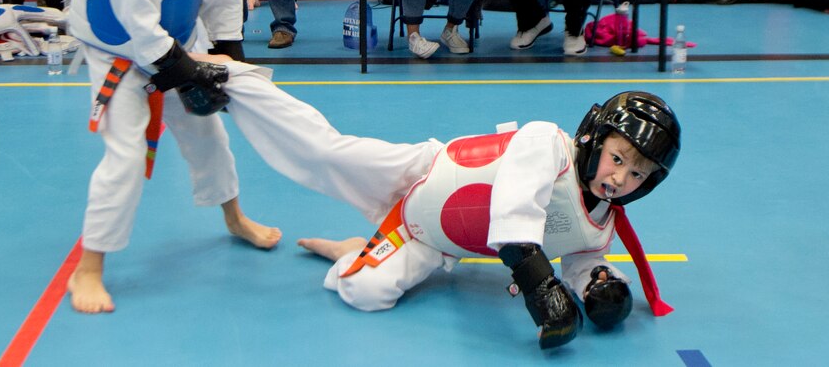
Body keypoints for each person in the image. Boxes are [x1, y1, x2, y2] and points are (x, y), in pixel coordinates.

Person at [189, 48, 681, 349]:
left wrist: (599, 283)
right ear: (596, 140)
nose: (620, 178)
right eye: (618, 159)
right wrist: (540, 287)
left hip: (428, 237)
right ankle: (235, 79)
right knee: (323, 152)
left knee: (367, 294)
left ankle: (351, 254)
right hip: (423, 171)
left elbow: (580, 257)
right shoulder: (547, 142)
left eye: (637, 173)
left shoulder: (601, 222)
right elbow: (513, 216)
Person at [65, 0, 281, 314]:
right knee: (125, 154)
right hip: (121, 57)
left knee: (210, 134)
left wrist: (228, 55)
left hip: (176, 42)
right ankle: (88, 268)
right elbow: (135, 18)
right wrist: (187, 73)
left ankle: (233, 217)